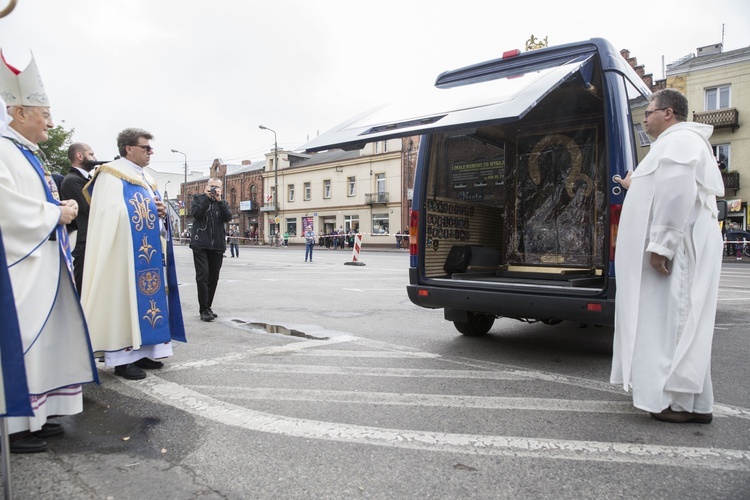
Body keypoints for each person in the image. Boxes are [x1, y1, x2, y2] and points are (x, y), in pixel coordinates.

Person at [0, 53, 97, 453]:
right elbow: (7, 206)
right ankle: (16, 425)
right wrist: (57, 212)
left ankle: (35, 417)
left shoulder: (25, 151)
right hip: (19, 269)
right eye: (44, 114)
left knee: (41, 342)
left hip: (42, 265)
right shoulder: (4, 150)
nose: (52, 123)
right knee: (21, 340)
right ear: (19, 112)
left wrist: (58, 213)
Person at [611, 89, 724, 424]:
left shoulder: (680, 141)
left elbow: (677, 194)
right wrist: (637, 186)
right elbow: (664, 190)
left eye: (649, 112)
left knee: (671, 321)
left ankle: (676, 402)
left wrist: (661, 246)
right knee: (677, 320)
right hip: (682, 245)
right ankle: (694, 402)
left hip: (679, 251)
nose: (644, 118)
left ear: (669, 113)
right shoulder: (674, 143)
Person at [81, 128, 186, 380]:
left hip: (146, 254)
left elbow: (153, 216)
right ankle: (122, 358)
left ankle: (143, 351)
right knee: (123, 302)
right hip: (122, 255)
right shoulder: (110, 175)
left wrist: (160, 212)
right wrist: (150, 208)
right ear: (128, 149)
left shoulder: (146, 179)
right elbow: (107, 215)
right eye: (146, 148)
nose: (151, 152)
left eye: (151, 148)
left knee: (148, 304)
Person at [190, 177, 232, 321]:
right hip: (200, 244)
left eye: (217, 187)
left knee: (213, 278)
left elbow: (228, 217)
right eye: (212, 186)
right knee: (203, 276)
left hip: (217, 246)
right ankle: (203, 309)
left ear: (221, 189)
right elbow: (195, 214)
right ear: (206, 187)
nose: (214, 189)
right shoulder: (198, 199)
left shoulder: (223, 202)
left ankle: (208, 306)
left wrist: (219, 201)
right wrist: (207, 199)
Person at [60, 142, 98, 292]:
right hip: (83, 241)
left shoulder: (84, 180)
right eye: (91, 154)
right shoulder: (72, 181)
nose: (95, 158)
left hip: (88, 239)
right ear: (79, 156)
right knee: (83, 286)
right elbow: (89, 209)